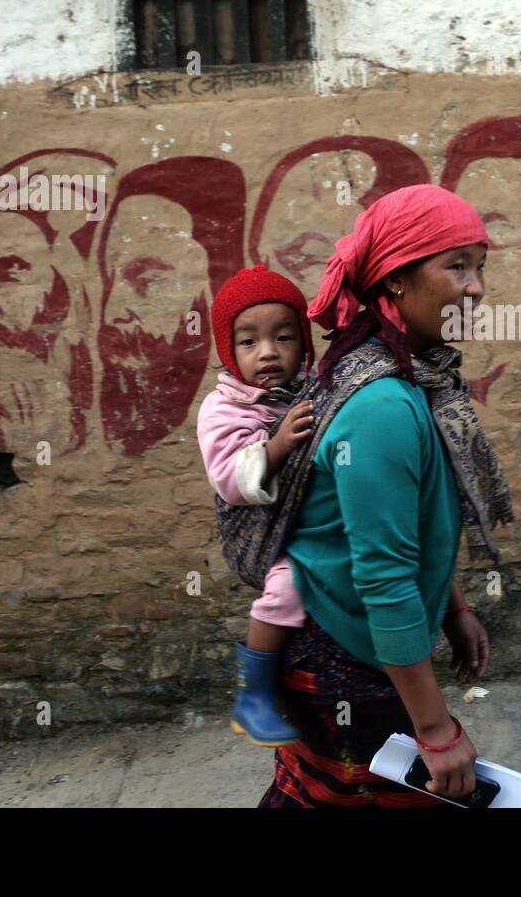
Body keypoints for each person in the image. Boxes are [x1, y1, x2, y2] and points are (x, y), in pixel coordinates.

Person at [253, 183, 515, 808]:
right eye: (456, 266)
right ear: (396, 281)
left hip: (348, 650)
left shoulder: (406, 376)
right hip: (348, 665)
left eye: (479, 266)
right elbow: (384, 574)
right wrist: (435, 728)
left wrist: (453, 607)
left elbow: (406, 524)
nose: (475, 287)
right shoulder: (383, 405)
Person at [196, 265, 316, 746]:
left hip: (301, 519)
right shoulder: (225, 408)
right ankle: (253, 694)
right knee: (290, 584)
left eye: (283, 337)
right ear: (229, 351)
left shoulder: (309, 389)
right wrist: (278, 446)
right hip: (259, 531)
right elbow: (230, 479)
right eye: (248, 342)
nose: (267, 352)